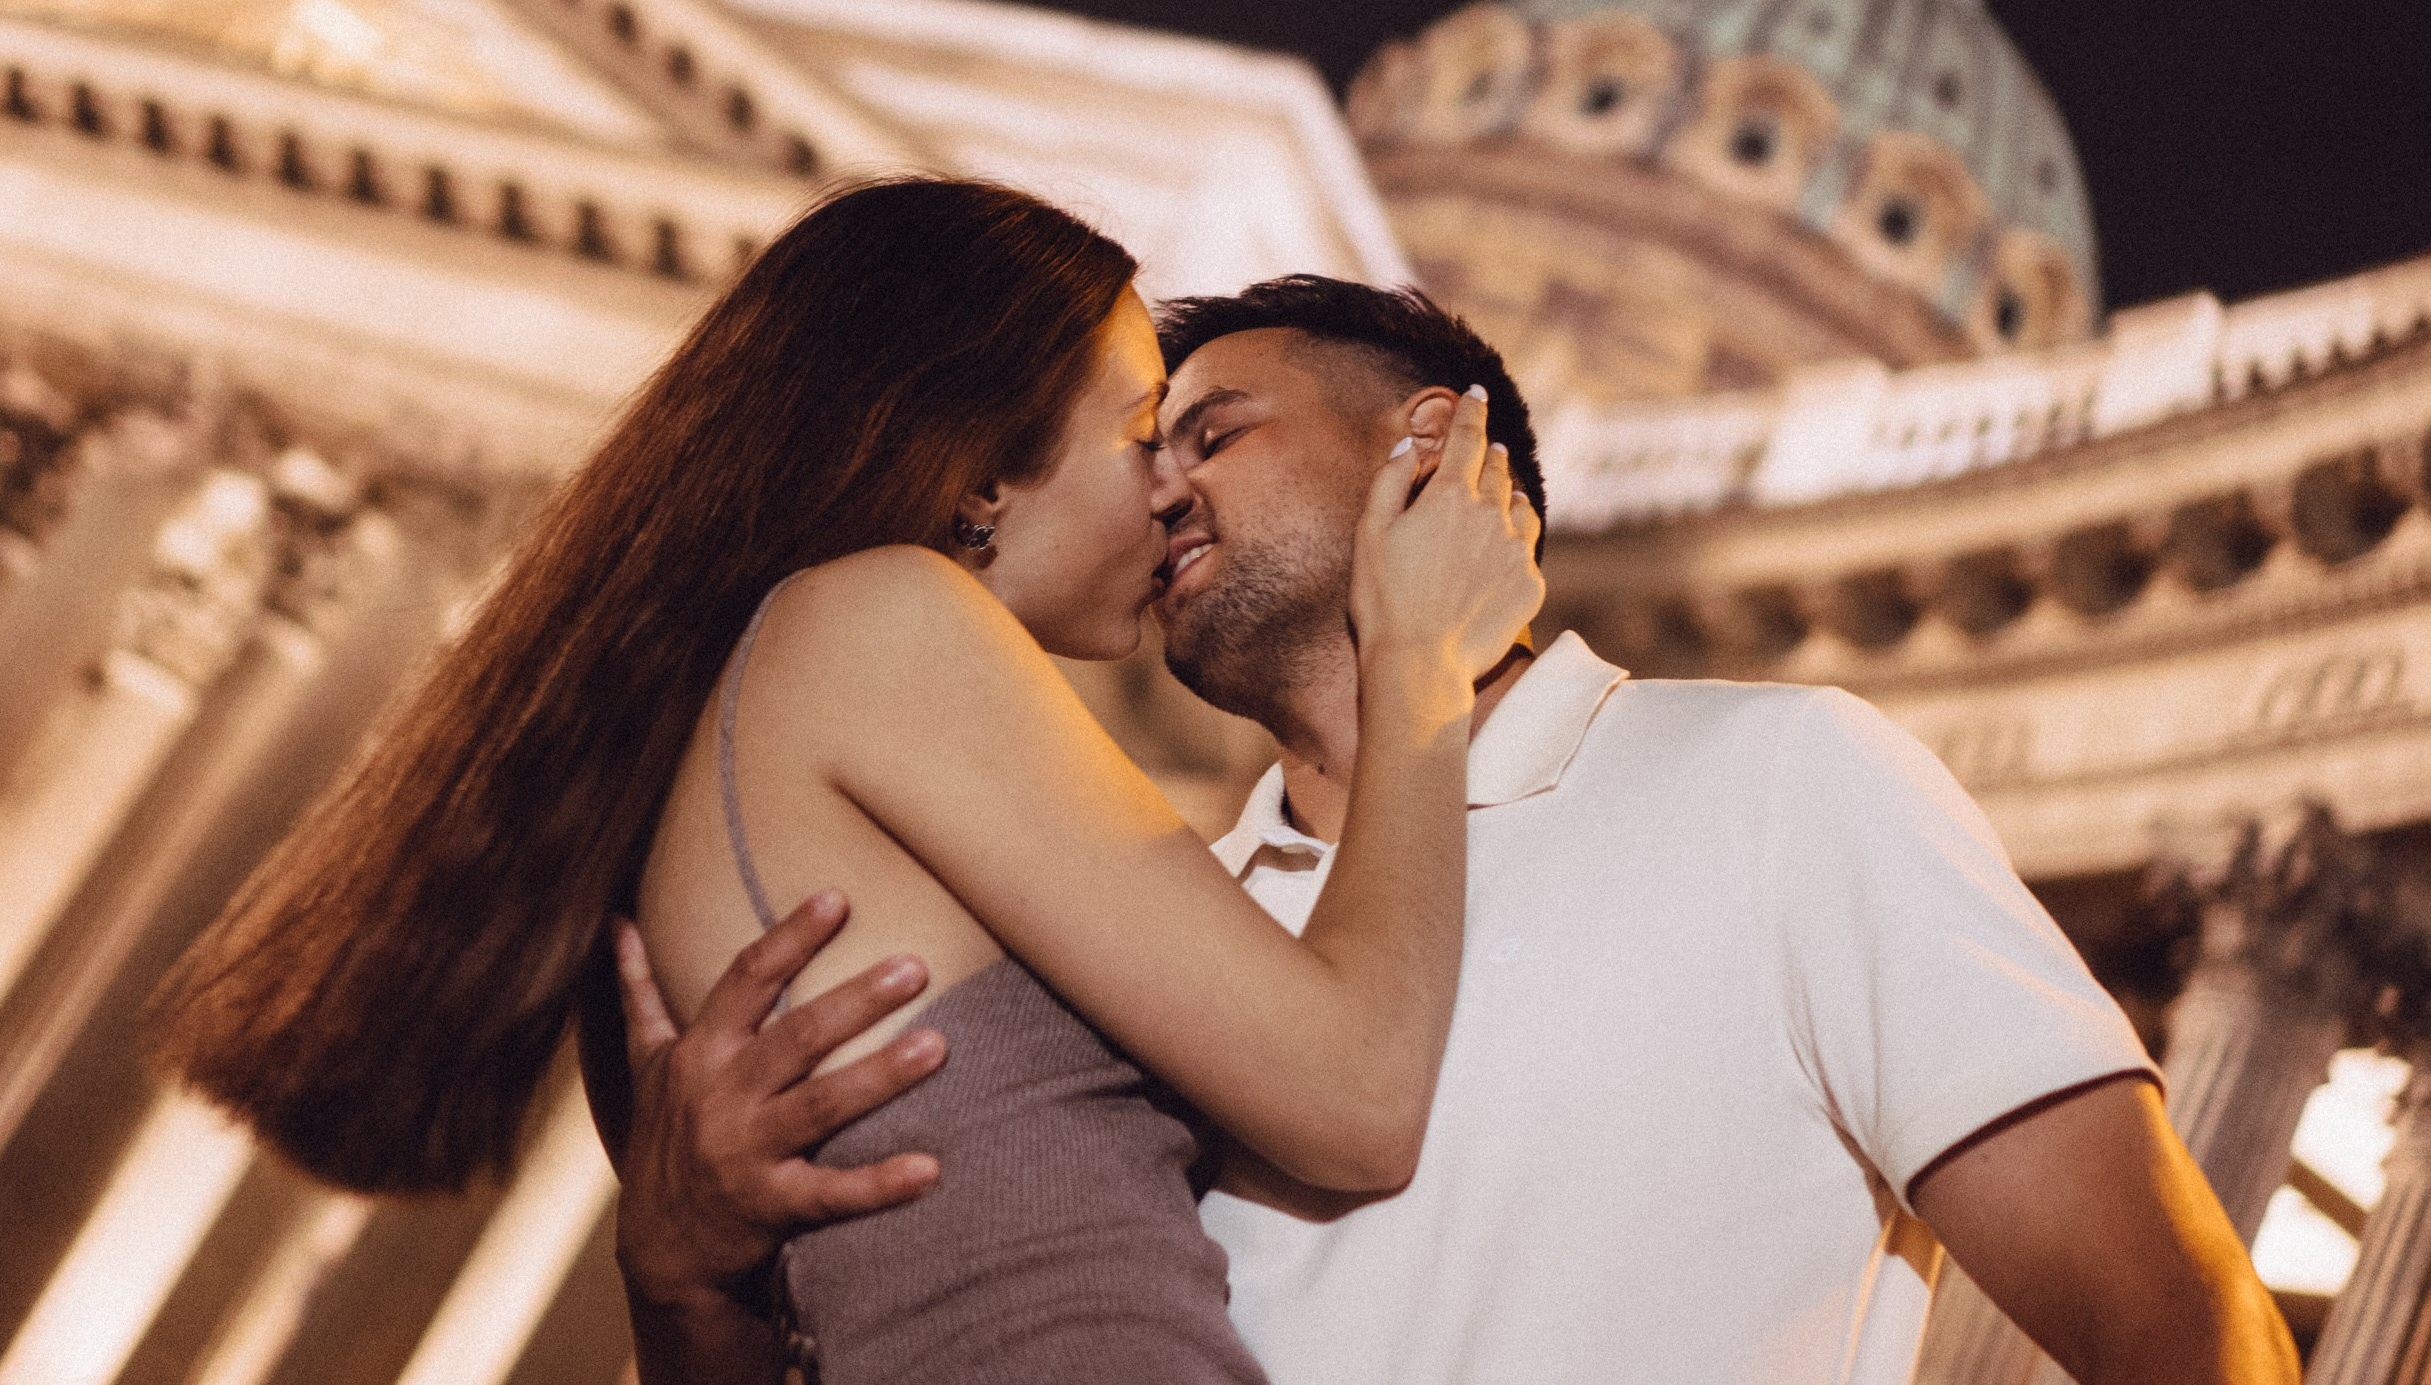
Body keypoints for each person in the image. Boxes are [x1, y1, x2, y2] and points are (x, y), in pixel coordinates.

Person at [609, 275, 2300, 1383]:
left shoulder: (1782, 785)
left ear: (1432, 447)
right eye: (1143, 450)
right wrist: (686, 1286)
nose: (1162, 489)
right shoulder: (1137, 932)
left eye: (1213, 432)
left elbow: (2182, 1333)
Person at [153, 181, 1544, 1384]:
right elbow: (1357, 1100)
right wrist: (1415, 656)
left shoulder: (759, 713)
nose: (1173, 491)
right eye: (1142, 437)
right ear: (991, 464)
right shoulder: (880, 622)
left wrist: (678, 1280)